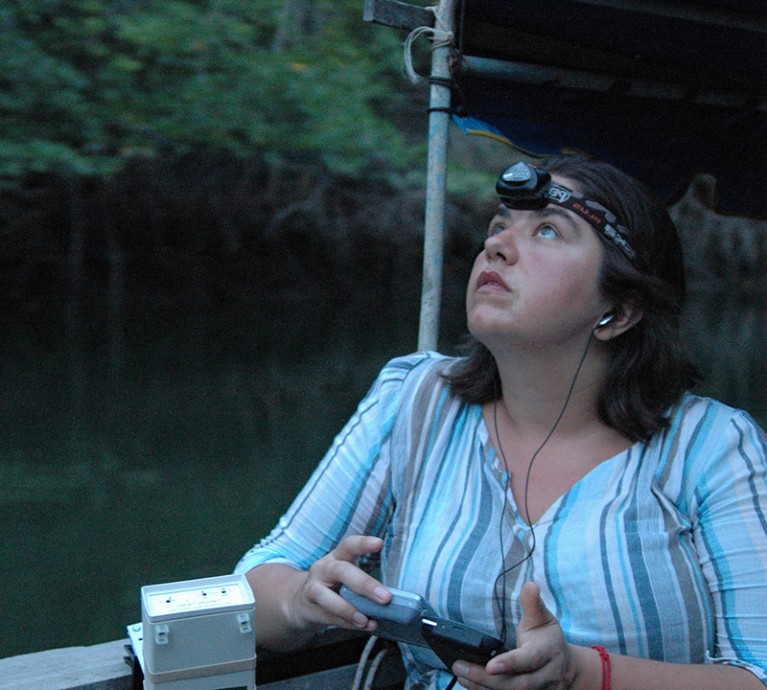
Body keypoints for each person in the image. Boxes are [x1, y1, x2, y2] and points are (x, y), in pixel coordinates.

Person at [235, 155, 767, 689]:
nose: (497, 246)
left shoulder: (714, 447)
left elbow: (758, 672)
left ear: (620, 310)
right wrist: (302, 600)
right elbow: (259, 579)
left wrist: (582, 675)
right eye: (498, 226)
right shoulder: (417, 401)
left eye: (549, 231)